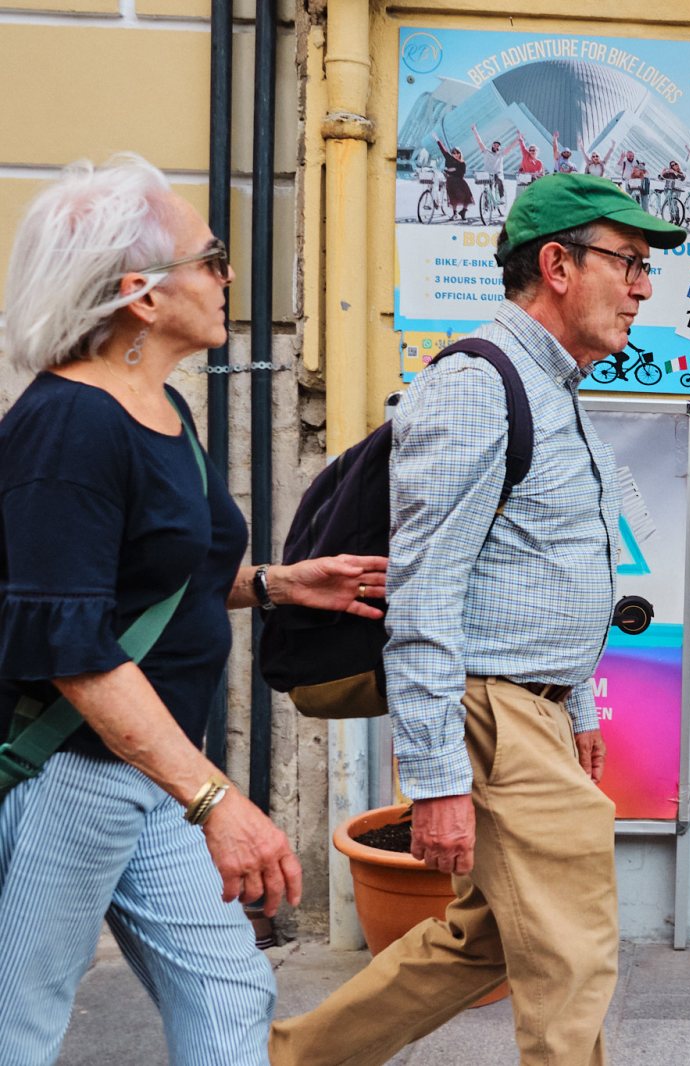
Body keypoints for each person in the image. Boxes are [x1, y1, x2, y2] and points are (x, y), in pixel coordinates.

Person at [270, 174, 688, 1066]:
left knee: (482, 943)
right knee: (574, 960)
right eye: (632, 264)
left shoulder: (551, 387)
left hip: (527, 711)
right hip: (493, 713)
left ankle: (290, 1057)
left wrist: (575, 706)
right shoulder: (477, 385)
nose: (645, 287)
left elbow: (550, 573)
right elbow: (423, 595)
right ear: (558, 265)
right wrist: (436, 781)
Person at [0, 153, 386, 1064]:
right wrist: (218, 801)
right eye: (211, 258)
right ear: (141, 294)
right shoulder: (68, 428)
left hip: (152, 774)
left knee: (231, 986)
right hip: (72, 773)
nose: (227, 277)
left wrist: (274, 583)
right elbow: (74, 642)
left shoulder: (159, 403)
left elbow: (148, 576)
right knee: (21, 1022)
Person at [470, 124, 511, 205]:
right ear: (492, 145)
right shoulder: (486, 152)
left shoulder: (501, 154)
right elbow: (479, 142)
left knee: (499, 180)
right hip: (488, 174)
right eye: (494, 145)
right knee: (487, 188)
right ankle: (486, 204)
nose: (496, 146)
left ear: (499, 147)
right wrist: (474, 130)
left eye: (497, 146)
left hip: (497, 173)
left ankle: (501, 197)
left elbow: (510, 148)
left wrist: (518, 140)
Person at [434, 137, 472, 222]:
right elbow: (443, 150)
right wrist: (437, 140)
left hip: (460, 181)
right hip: (451, 180)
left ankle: (463, 212)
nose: (454, 154)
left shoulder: (462, 163)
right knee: (453, 198)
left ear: (459, 154)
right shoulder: (449, 158)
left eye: (456, 153)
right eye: (453, 153)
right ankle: (454, 213)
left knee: (468, 197)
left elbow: (462, 173)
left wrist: (452, 169)